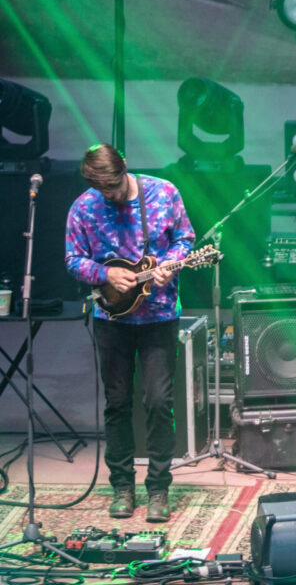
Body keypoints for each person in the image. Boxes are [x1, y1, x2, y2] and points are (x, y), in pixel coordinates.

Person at [65, 143, 194, 523]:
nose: (112, 196)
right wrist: (105, 274)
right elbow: (73, 260)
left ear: (126, 167)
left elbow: (185, 240)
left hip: (159, 315)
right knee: (117, 403)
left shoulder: (164, 192)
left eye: (115, 187)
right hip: (112, 319)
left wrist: (172, 264)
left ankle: (158, 489)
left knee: (158, 402)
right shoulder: (83, 207)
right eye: (104, 191)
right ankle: (122, 486)